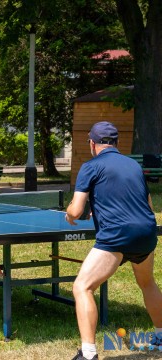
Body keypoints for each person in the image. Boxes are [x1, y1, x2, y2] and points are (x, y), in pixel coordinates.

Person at [66, 121, 162, 360]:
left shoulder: (90, 166)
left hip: (117, 237)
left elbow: (76, 211)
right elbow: (147, 205)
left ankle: (88, 353)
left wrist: (69, 212)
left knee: (82, 287)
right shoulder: (133, 165)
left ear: (92, 143)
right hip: (147, 233)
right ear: (117, 143)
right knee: (147, 283)